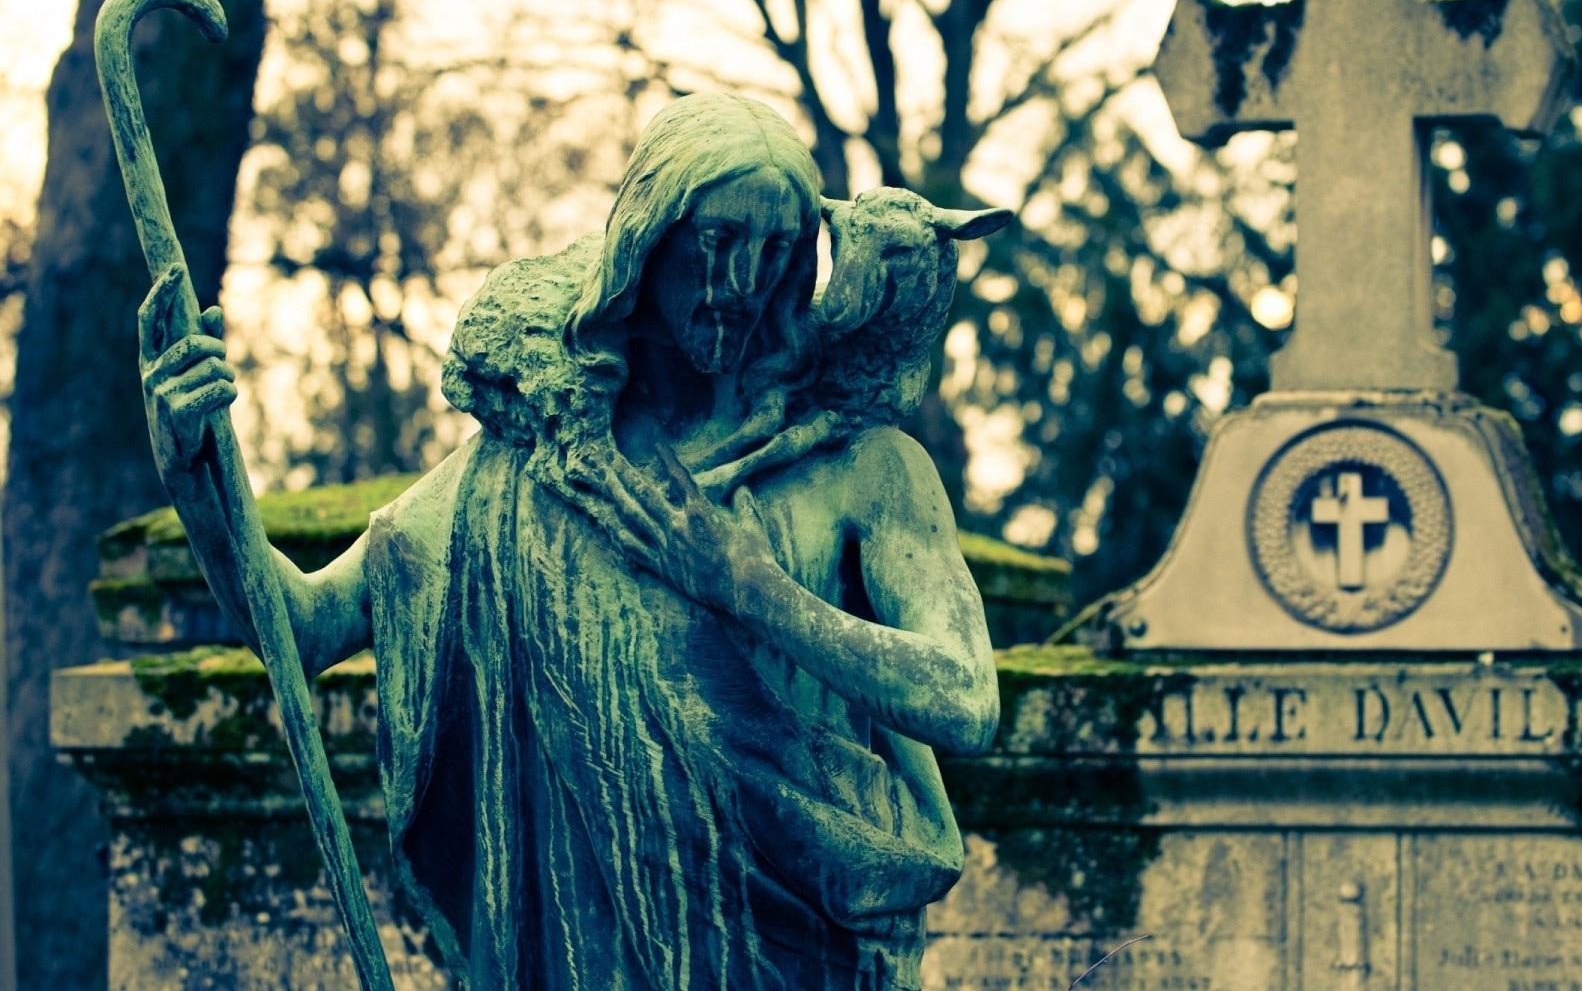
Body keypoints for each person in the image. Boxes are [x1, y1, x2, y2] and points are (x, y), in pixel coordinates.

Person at [138, 93, 999, 989]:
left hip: (802, 953)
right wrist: (197, 476)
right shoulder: (534, 468)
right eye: (716, 242)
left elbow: (967, 699)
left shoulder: (860, 465)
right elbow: (301, 624)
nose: (742, 283)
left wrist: (752, 589)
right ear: (645, 239)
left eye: (776, 252)